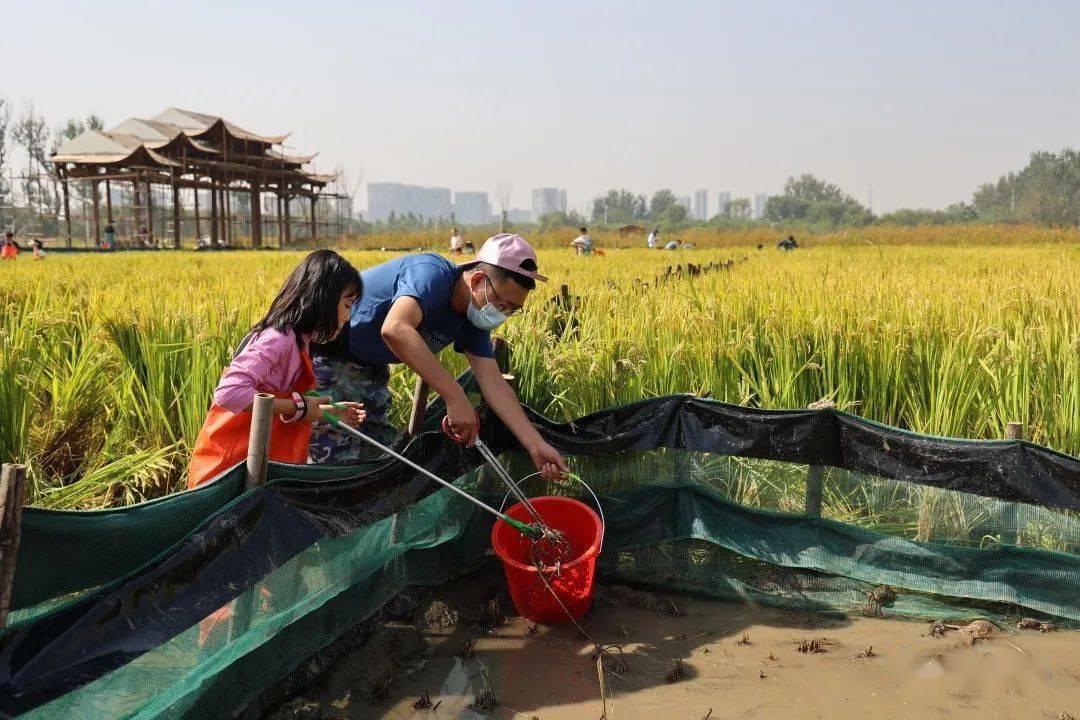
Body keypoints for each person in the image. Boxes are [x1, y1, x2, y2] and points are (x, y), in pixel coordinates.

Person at [310, 233, 568, 481]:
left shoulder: (472, 318)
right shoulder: (432, 275)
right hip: (328, 357)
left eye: (513, 310)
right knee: (338, 460)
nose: (503, 313)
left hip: (370, 368)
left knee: (378, 455)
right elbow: (395, 329)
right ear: (478, 280)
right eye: (502, 304)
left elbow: (493, 382)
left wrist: (535, 444)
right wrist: (454, 395)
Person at [187, 249, 367, 488]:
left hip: (258, 472)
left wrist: (327, 411)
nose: (347, 317)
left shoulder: (300, 341)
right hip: (227, 476)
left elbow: (282, 404)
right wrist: (300, 408)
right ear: (322, 299)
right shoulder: (278, 339)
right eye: (346, 305)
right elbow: (229, 393)